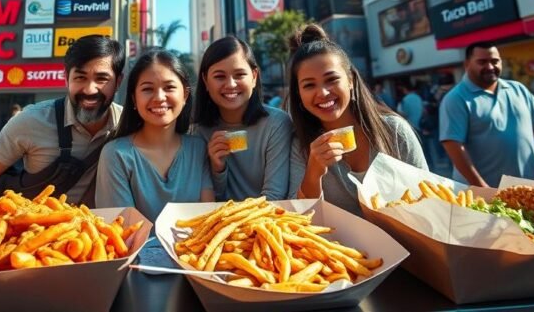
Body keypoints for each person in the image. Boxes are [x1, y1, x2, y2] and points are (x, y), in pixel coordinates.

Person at [0, 35, 125, 206]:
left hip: (102, 230)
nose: (90, 89)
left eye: (102, 79)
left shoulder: (129, 125)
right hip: (32, 230)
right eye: (80, 77)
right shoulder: (31, 121)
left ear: (118, 82)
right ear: (66, 79)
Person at [288, 25, 427, 216]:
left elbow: (428, 197)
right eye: (309, 85)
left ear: (351, 80)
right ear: (299, 95)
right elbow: (302, 220)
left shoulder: (395, 131)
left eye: (331, 79)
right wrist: (314, 172)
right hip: (339, 246)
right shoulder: (301, 145)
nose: (323, 92)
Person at [96, 49, 214, 221]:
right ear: (134, 99)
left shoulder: (198, 148)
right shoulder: (115, 154)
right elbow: (122, 230)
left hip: (195, 248)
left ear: (185, 95)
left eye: (169, 87)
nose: (159, 97)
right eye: (147, 89)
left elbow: (209, 221)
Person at [440, 42, 534, 188]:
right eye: (482, 62)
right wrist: (481, 187)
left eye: (494, 61)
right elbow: (453, 145)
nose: (490, 67)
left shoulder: (518, 89)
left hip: (529, 189)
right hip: (485, 195)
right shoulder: (456, 98)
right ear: (467, 64)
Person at [193, 36, 293, 201]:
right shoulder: (199, 133)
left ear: (254, 77)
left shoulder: (276, 124)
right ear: (205, 81)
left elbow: (274, 195)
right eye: (219, 76)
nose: (231, 84)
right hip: (221, 223)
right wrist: (217, 168)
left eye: (239, 74)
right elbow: (209, 202)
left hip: (267, 222)